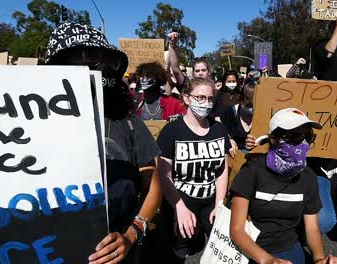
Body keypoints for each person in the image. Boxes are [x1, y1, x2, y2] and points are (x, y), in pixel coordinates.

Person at [45, 23, 162, 264]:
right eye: (77, 58)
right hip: (48, 249)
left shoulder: (129, 123)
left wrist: (131, 236)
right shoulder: (27, 124)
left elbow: (153, 187)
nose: (90, 66)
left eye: (100, 58)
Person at [230, 108, 337, 264]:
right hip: (250, 249)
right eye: (296, 136)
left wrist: (319, 259)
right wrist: (268, 260)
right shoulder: (252, 171)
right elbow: (237, 230)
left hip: (289, 248)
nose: (303, 143)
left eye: (308, 136)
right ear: (273, 139)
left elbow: (312, 228)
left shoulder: (308, 176)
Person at [156, 77, 231, 261]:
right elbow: (163, 175)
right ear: (187, 99)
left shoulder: (219, 130)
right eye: (200, 98)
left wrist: (219, 204)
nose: (206, 103)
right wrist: (178, 206)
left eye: (210, 98)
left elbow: (222, 168)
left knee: (216, 247)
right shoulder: (171, 131)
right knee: (184, 244)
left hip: (210, 199)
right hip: (182, 198)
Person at [220, 81, 256, 154]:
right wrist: (230, 140)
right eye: (247, 105)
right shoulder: (230, 112)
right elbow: (223, 133)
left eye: (252, 106)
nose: (250, 109)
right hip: (236, 154)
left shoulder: (263, 114)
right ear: (241, 99)